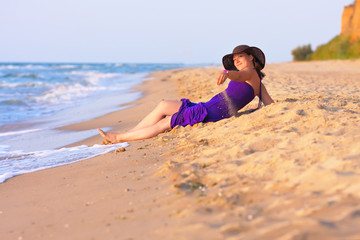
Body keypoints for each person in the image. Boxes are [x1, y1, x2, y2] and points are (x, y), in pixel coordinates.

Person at [98, 45, 274, 143]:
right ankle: (131, 133)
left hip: (212, 112)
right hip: (207, 107)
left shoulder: (249, 73)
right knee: (164, 105)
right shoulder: (259, 84)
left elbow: (238, 75)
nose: (237, 62)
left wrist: (227, 73)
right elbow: (272, 106)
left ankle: (119, 138)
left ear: (251, 57)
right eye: (235, 61)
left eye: (240, 58)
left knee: (166, 122)